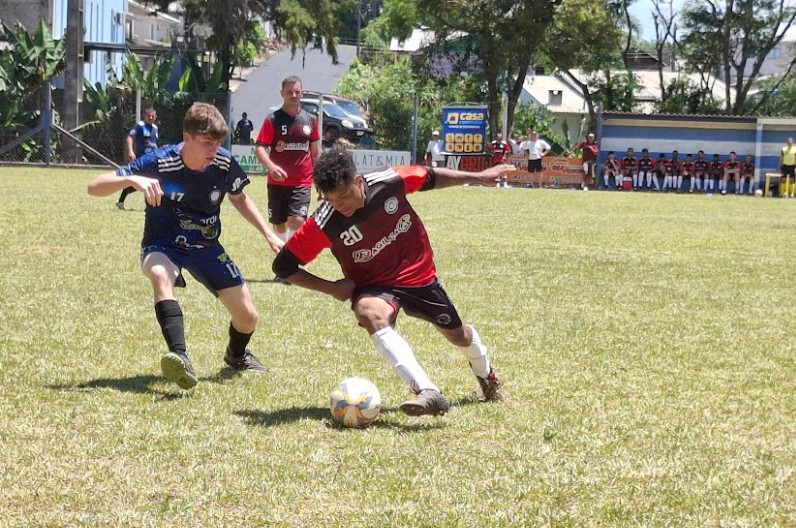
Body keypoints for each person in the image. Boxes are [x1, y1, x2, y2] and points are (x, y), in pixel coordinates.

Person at [272, 143, 511, 416]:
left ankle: (487, 374)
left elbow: (431, 176)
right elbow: (283, 265)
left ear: (358, 181)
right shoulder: (325, 222)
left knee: (459, 336)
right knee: (369, 313)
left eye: (345, 196)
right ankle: (427, 391)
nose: (340, 205)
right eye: (331, 200)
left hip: (418, 274)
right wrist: (331, 288)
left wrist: (479, 178)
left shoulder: (390, 181)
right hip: (375, 286)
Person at [88, 102, 284, 390]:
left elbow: (239, 198)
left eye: (217, 143)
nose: (213, 151)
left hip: (206, 245)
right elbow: (94, 187)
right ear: (187, 137)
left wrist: (268, 234)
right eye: (206, 143)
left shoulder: (223, 163)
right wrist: (132, 179)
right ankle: (180, 357)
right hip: (163, 243)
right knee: (159, 274)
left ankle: (236, 354)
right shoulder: (159, 161)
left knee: (248, 317)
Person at [255, 76, 321, 246]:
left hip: (302, 181)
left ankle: (289, 259)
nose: (293, 95)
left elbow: (315, 153)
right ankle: (283, 252)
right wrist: (271, 167)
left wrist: (321, 180)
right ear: (282, 94)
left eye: (297, 92)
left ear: (302, 93)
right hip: (277, 183)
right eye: (289, 92)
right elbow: (260, 148)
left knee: (297, 220)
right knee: (279, 223)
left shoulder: (311, 120)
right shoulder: (273, 120)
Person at [116, 107, 158, 209]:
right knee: (142, 181)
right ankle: (121, 201)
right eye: (149, 116)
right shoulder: (140, 126)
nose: (151, 118)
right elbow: (130, 137)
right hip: (142, 160)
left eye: (153, 116)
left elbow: (153, 144)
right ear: (145, 116)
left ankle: (150, 205)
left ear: (156, 117)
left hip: (152, 160)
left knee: (151, 181)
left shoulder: (155, 128)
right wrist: (130, 151)